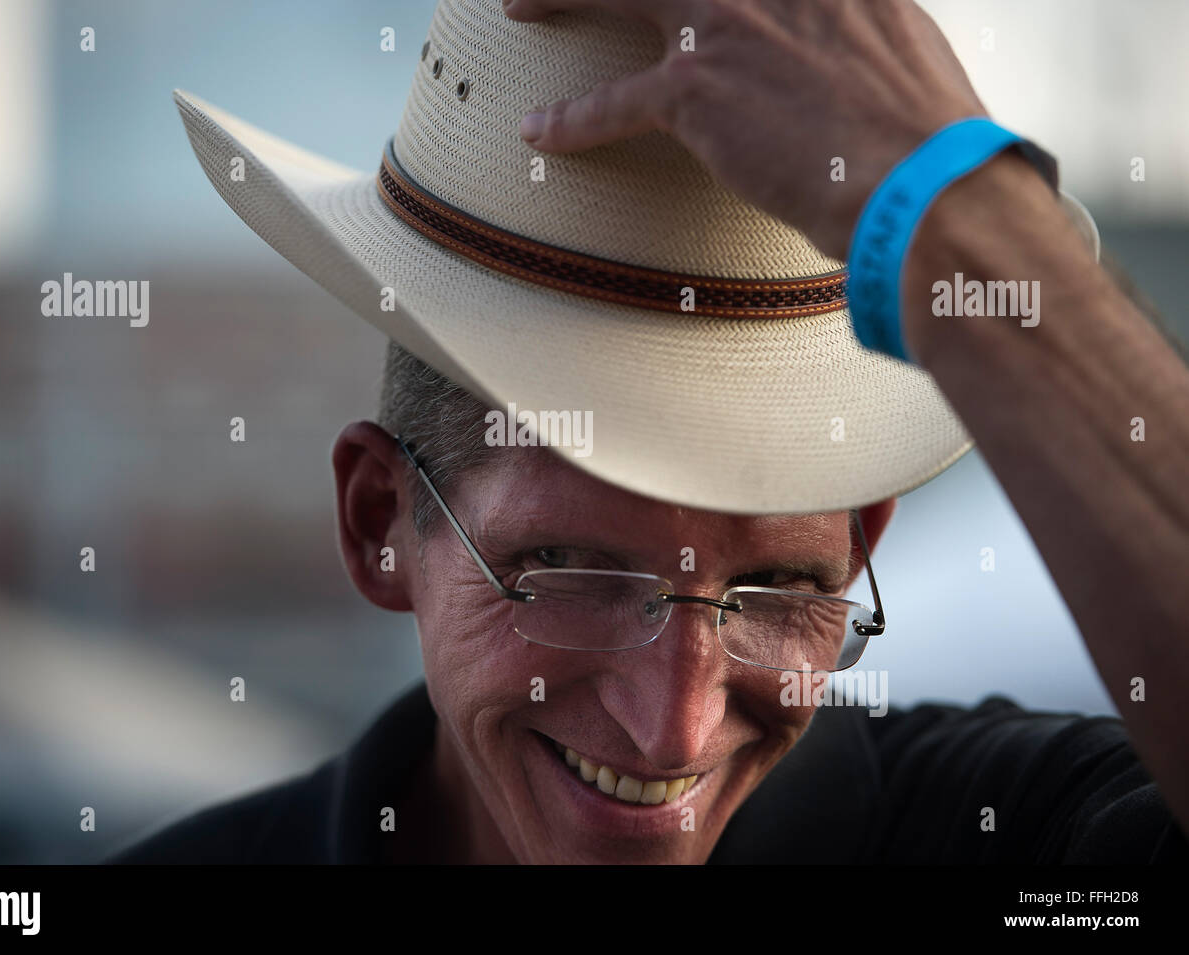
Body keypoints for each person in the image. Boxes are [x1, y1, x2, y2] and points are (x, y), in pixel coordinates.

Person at [111, 0, 1188, 863]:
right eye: (568, 568)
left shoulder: (1015, 839)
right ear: (378, 520)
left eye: (781, 587)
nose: (671, 728)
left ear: (862, 545)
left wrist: (961, 211)